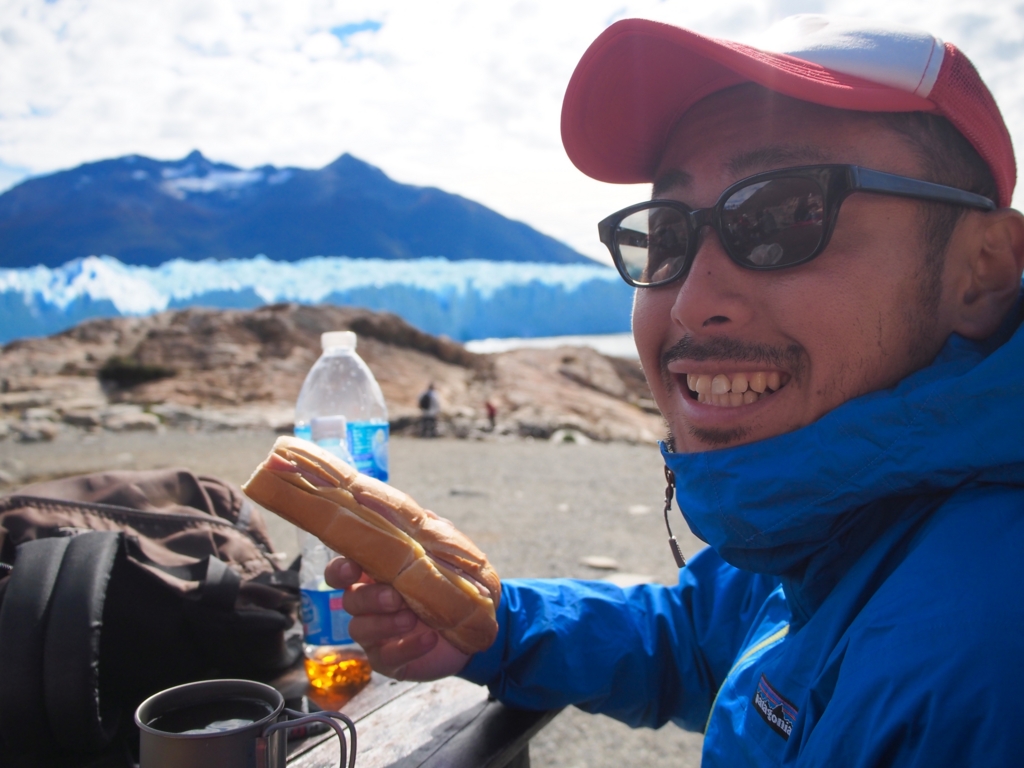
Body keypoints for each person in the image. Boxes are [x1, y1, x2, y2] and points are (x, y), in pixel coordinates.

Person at [328, 14, 1024, 765]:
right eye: (666, 234)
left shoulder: (979, 656)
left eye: (785, 216)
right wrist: (496, 623)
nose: (692, 302)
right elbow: (701, 637)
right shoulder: (839, 516)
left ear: (983, 268)